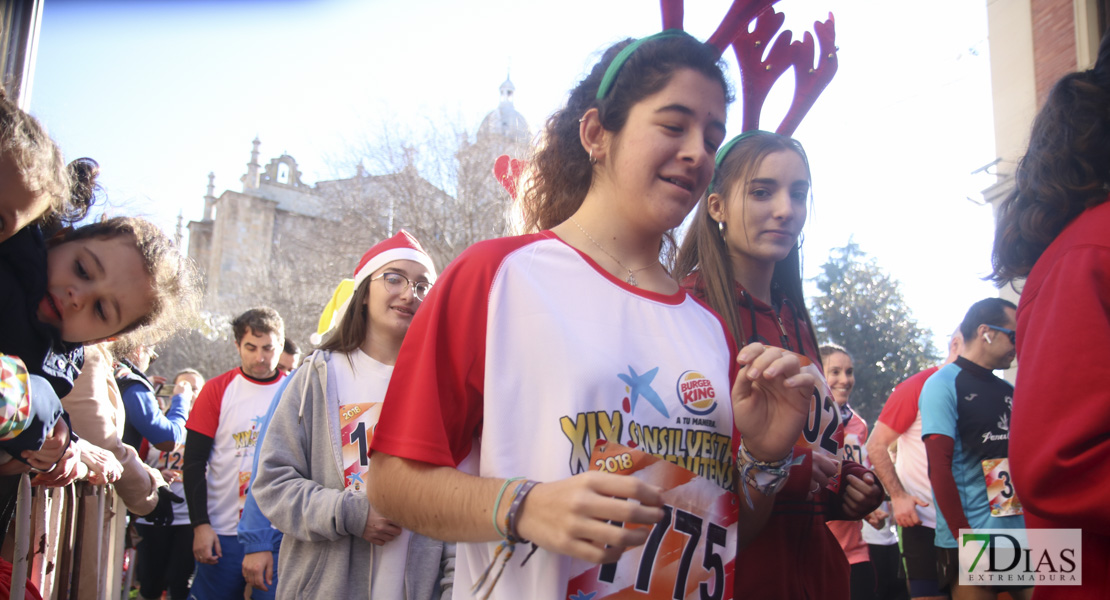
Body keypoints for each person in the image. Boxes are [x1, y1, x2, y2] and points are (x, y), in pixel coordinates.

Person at [367, 31, 818, 599]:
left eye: (711, 136)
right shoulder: (497, 276)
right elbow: (391, 482)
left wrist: (765, 460)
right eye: (673, 125)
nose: (698, 152)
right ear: (596, 134)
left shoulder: (708, 328)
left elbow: (724, 536)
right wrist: (524, 506)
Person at [674, 129, 883, 599]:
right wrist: (797, 469)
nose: (786, 209)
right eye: (762, 191)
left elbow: (816, 450)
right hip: (732, 577)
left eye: (799, 193)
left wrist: (847, 487)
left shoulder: (796, 319)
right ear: (717, 207)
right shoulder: (686, 311)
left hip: (820, 576)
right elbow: (677, 468)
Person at [249, 231, 452, 599]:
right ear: (363, 292)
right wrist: (349, 514)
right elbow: (272, 484)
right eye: (394, 278)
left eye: (423, 286)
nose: (409, 293)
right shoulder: (318, 377)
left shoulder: (443, 387)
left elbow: (458, 502)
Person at [990, 29, 1110, 600]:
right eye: (1006, 334)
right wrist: (961, 534)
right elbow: (1049, 466)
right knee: (959, 578)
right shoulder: (936, 390)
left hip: (1032, 534)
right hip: (978, 529)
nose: (1015, 343)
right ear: (979, 334)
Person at [920, 298, 1029, 600]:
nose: (1018, 346)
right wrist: (963, 536)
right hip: (971, 536)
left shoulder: (1008, 390)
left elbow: (1006, 464)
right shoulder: (942, 384)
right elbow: (938, 467)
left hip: (1016, 533)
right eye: (1014, 336)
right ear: (986, 332)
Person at [183, 307, 286, 600]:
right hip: (223, 532)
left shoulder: (295, 390)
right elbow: (193, 463)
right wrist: (200, 525)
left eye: (268, 348)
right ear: (237, 346)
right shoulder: (217, 390)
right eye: (250, 348)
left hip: (277, 532)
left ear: (280, 346)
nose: (260, 357)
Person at [867, 330, 962, 600]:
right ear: (956, 343)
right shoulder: (918, 385)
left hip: (978, 522)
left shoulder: (989, 391)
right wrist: (898, 496)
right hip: (923, 522)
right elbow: (876, 445)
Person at [133, 368, 205, 600]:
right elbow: (135, 461)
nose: (190, 393)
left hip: (188, 518)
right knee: (151, 582)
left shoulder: (209, 427)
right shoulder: (156, 424)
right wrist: (155, 473)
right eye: (183, 387)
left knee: (180, 581)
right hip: (153, 514)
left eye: (195, 388)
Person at [820, 344, 879, 600]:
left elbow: (859, 473)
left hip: (856, 552)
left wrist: (871, 503)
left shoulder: (858, 424)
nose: (845, 380)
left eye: (849, 372)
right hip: (817, 552)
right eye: (835, 371)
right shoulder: (800, 419)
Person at [115, 343, 192, 451]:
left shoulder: (106, 370)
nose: (148, 365)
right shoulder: (133, 385)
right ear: (139, 350)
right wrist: (181, 399)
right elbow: (170, 439)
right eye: (152, 358)